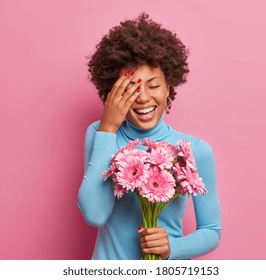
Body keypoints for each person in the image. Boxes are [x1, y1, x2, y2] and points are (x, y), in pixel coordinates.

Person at [78, 13, 221, 260]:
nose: (143, 98)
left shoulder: (195, 150)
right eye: (131, 88)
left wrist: (172, 248)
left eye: (153, 86)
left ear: (169, 87)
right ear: (113, 92)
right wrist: (109, 127)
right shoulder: (100, 134)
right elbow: (95, 215)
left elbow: (212, 231)